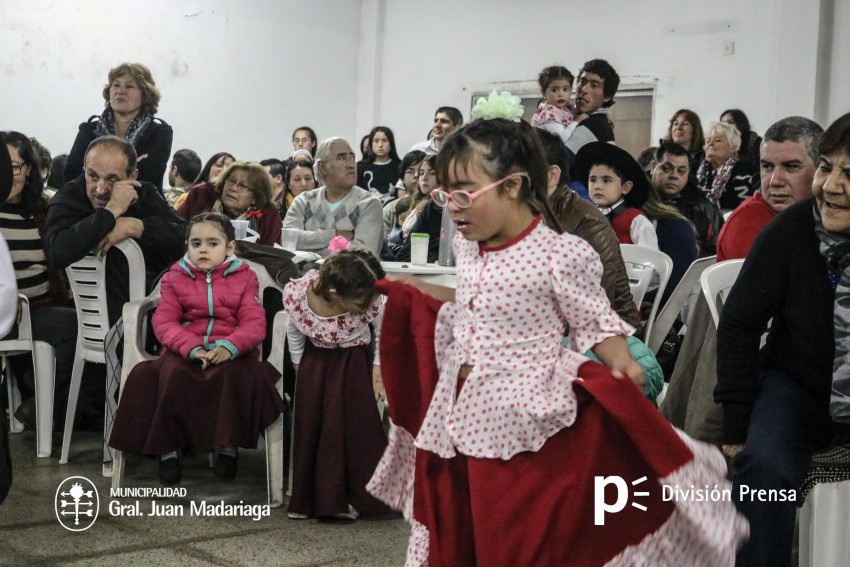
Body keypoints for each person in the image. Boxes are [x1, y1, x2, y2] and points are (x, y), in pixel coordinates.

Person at [368, 99, 745, 565]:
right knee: (464, 524)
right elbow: (474, 301)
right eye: (445, 195)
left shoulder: (559, 254)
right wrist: (419, 291)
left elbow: (595, 322)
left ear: (512, 187)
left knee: (519, 533)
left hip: (530, 415)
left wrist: (623, 366)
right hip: (465, 409)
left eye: (463, 193)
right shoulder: (471, 249)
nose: (451, 207)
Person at [715, 112, 850, 566]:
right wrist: (736, 426)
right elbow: (739, 322)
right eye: (828, 167)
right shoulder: (791, 231)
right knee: (764, 470)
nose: (831, 185)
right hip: (797, 387)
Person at [109, 213, 285, 485]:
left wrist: (230, 347)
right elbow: (164, 321)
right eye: (196, 243)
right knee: (171, 376)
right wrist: (191, 348)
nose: (203, 249)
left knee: (236, 376)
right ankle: (167, 451)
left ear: (229, 248)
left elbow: (254, 323)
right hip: (186, 350)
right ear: (187, 246)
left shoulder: (245, 277)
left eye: (213, 243)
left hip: (231, 351)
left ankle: (228, 445)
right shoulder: (174, 278)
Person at [283, 249, 389, 520]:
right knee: (313, 427)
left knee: (352, 429)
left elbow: (385, 333)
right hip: (315, 364)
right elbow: (294, 330)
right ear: (334, 294)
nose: (366, 308)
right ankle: (312, 498)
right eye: (360, 304)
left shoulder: (372, 299)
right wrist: (299, 366)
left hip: (354, 363)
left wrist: (378, 370)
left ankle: (350, 498)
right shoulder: (299, 295)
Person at [45, 135, 185, 326]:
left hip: (155, 313)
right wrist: (110, 213)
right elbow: (57, 252)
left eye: (112, 179)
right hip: (90, 318)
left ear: (132, 177)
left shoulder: (145, 194)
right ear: (84, 169)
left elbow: (185, 239)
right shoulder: (70, 196)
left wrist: (139, 227)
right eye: (92, 176)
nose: (100, 189)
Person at [0, 132, 77, 431]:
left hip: (44, 306)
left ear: (30, 169)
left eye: (14, 167)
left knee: (102, 331)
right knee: (79, 328)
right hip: (11, 314)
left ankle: (41, 402)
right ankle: (43, 403)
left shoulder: (41, 210)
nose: (8, 175)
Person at [538, 128, 640, 328]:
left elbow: (590, 311)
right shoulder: (528, 215)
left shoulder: (588, 224)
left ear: (551, 176)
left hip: (608, 338)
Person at [716, 116, 823, 261]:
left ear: (822, 169)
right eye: (767, 166)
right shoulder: (747, 225)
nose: (775, 181)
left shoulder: (823, 214)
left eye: (791, 166)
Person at [64, 63, 173, 192]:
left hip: (140, 207)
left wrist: (95, 175)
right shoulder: (89, 130)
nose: (120, 91)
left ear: (145, 95)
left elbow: (149, 179)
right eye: (116, 85)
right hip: (89, 206)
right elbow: (70, 175)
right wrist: (131, 166)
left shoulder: (159, 133)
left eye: (129, 86)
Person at [283, 137, 383, 257]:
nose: (351, 164)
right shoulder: (303, 201)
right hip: (301, 275)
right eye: (341, 158)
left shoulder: (369, 204)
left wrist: (312, 254)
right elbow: (289, 241)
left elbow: (363, 253)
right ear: (322, 167)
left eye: (352, 157)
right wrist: (334, 235)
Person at [178, 161, 282, 247]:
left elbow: (270, 254)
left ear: (255, 197)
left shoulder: (269, 214)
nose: (233, 188)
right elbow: (176, 230)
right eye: (231, 180)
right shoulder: (201, 195)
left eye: (242, 185)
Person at [577, 141, 657, 249]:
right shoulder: (585, 219)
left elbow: (649, 260)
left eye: (606, 180)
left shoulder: (637, 221)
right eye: (593, 180)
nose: (597, 186)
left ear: (626, 187)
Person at [651, 142, 724, 256]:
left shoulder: (705, 208)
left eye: (681, 171)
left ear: (688, 173)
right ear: (653, 167)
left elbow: (718, 252)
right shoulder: (638, 201)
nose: (674, 175)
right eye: (666, 168)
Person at [696, 121, 759, 211]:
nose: (710, 144)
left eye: (717, 140)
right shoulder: (698, 172)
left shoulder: (743, 169)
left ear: (733, 147)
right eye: (708, 141)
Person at [565, 58, 620, 156]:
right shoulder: (580, 118)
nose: (584, 89)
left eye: (594, 85)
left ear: (607, 96)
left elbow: (554, 163)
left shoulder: (592, 127)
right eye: (582, 82)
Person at [394, 155, 441, 262]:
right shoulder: (413, 204)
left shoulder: (437, 207)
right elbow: (404, 253)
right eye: (421, 173)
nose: (424, 178)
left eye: (432, 173)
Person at [530, 65, 577, 144]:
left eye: (565, 89)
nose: (561, 94)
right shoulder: (549, 114)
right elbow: (561, 140)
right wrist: (576, 122)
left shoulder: (565, 109)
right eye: (555, 90)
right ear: (544, 92)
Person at [383, 150, 425, 235]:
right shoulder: (390, 210)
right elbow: (382, 243)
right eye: (410, 171)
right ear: (402, 178)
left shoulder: (434, 207)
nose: (416, 175)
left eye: (421, 172)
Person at [356, 126, 402, 198]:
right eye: (376, 141)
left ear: (391, 143)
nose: (380, 145)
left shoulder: (400, 166)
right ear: (371, 144)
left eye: (384, 140)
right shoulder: (361, 166)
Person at [661, 109, 706, 174]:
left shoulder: (703, 158)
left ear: (695, 130)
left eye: (685, 124)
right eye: (676, 123)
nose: (679, 127)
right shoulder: (662, 154)